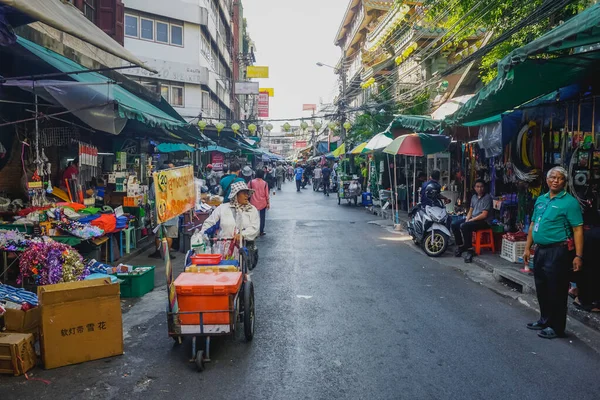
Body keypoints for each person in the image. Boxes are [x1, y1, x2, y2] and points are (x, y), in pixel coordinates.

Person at [523, 166, 584, 339]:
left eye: (560, 178)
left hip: (559, 251)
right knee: (542, 286)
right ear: (547, 180)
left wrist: (578, 256)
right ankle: (544, 320)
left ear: (565, 182)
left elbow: (578, 230)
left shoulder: (570, 202)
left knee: (556, 289)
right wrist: (528, 248)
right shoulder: (541, 199)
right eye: (552, 177)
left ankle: (557, 327)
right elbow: (534, 224)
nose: (555, 181)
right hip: (541, 250)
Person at [452, 179, 493, 259]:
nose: (479, 189)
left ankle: (470, 250)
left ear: (484, 187)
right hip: (473, 219)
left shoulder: (487, 198)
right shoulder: (474, 197)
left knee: (465, 226)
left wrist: (471, 220)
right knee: (454, 224)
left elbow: (484, 215)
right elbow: (471, 210)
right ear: (474, 188)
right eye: (477, 187)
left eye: (481, 187)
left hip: (484, 222)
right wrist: (467, 218)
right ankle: (461, 246)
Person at [149, 161, 179, 259]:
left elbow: (151, 197)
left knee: (159, 235)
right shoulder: (174, 183)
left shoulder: (155, 183)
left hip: (160, 212)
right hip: (172, 212)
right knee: (169, 235)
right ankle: (167, 254)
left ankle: (158, 252)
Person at [248, 169, 270, 236]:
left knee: (252, 217)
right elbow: (267, 194)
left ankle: (253, 230)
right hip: (262, 202)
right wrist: (268, 203)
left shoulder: (251, 182)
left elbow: (247, 191)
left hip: (253, 202)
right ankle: (261, 231)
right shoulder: (265, 183)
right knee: (262, 217)